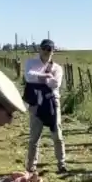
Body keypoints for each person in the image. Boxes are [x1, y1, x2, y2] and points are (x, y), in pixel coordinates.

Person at [24, 39, 67, 174]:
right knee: (34, 136)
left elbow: (56, 84)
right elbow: (28, 77)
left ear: (53, 51)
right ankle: (31, 166)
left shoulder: (57, 68)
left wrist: (40, 78)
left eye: (50, 49)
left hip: (53, 102)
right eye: (44, 48)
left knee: (57, 134)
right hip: (36, 103)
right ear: (40, 49)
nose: (47, 51)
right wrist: (46, 76)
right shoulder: (31, 63)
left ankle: (61, 163)